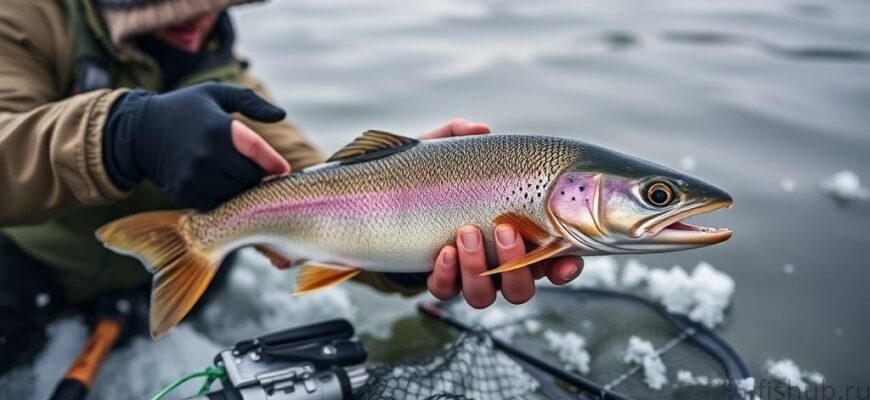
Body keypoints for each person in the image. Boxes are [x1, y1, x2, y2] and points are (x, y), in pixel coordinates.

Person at [0, 0, 583, 373]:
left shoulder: (234, 85)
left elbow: (314, 186)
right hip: (27, 265)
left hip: (161, 279)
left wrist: (410, 239)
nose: (201, 20)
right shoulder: (25, 18)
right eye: (178, 8)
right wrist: (122, 135)